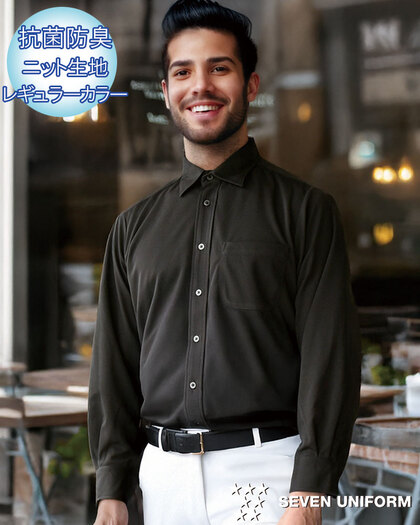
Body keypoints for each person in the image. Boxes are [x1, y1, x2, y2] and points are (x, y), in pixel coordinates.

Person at [88, 1, 361, 524]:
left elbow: (331, 360)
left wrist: (308, 492)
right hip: (162, 478)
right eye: (182, 72)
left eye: (219, 68)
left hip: (267, 472)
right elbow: (113, 370)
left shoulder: (305, 211)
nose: (201, 86)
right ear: (165, 91)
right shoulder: (132, 228)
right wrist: (112, 489)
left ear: (250, 85)